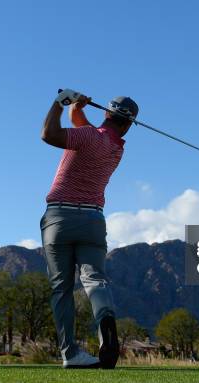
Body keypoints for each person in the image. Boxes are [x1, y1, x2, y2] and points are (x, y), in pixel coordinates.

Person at [40, 89, 139, 369]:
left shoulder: (87, 137)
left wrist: (60, 103)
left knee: (61, 288)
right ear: (128, 125)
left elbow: (49, 134)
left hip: (59, 217)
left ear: (106, 113)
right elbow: (83, 128)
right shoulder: (116, 148)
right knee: (95, 280)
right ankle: (104, 321)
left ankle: (70, 354)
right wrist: (77, 108)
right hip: (93, 220)